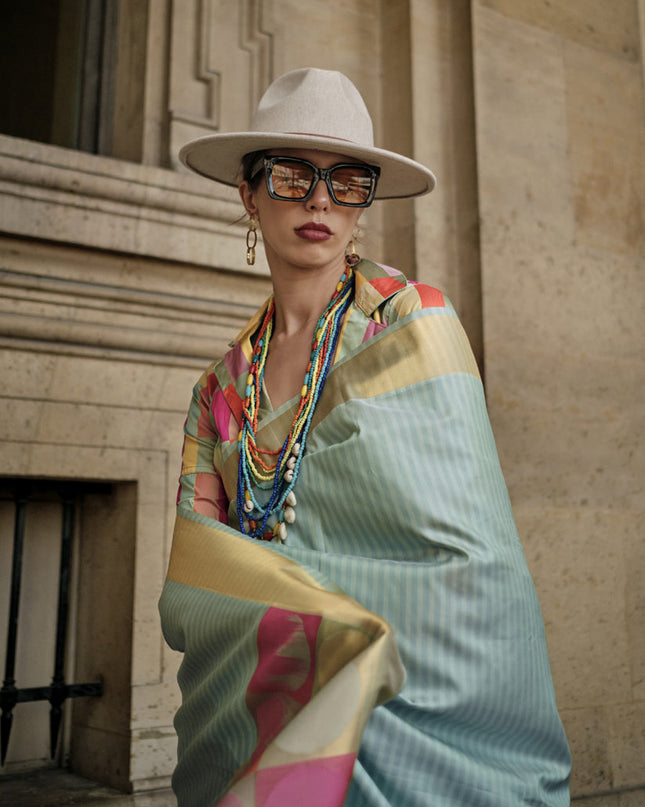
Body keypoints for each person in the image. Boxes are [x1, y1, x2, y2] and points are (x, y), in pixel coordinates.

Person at [159, 67, 570, 807]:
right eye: (292, 175)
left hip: (415, 722)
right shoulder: (218, 392)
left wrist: (341, 635)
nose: (320, 198)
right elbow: (198, 586)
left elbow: (471, 567)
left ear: (363, 205)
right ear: (248, 195)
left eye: (347, 180)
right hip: (262, 724)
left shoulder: (414, 324)